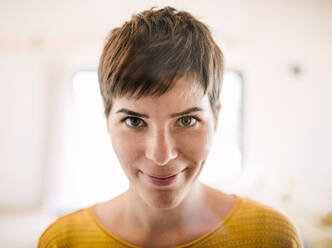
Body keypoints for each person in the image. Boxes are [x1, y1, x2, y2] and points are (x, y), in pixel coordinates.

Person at [38, 6, 302, 248]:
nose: (161, 156)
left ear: (216, 118)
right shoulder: (63, 241)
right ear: (107, 120)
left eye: (187, 120)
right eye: (134, 121)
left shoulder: (272, 237)